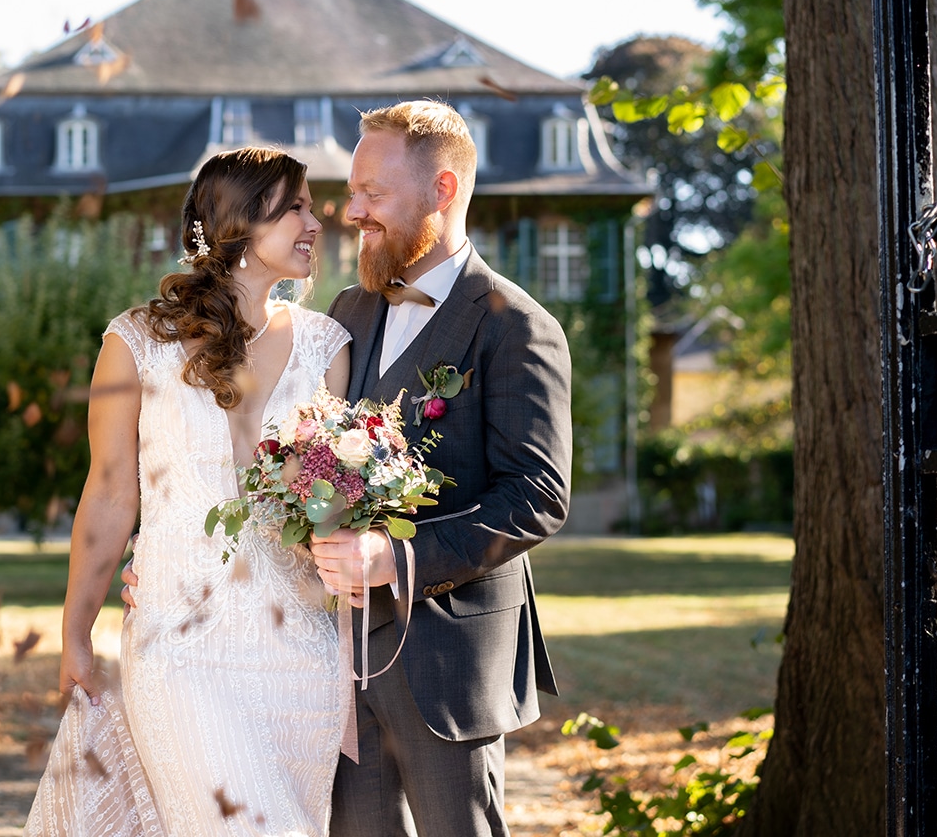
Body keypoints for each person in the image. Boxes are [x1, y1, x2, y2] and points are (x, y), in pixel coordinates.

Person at [29, 146, 353, 837]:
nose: (314, 221)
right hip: (177, 645)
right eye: (294, 204)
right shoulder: (136, 342)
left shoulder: (328, 345)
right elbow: (111, 493)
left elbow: (334, 505)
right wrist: (75, 630)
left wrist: (343, 493)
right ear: (240, 218)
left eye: (311, 206)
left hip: (300, 653)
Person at [309, 100, 573, 837]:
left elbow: (538, 495)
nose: (352, 211)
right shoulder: (348, 311)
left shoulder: (516, 326)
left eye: (374, 194)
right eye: (353, 191)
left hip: (448, 656)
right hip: (345, 652)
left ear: (443, 190)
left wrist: (397, 557)